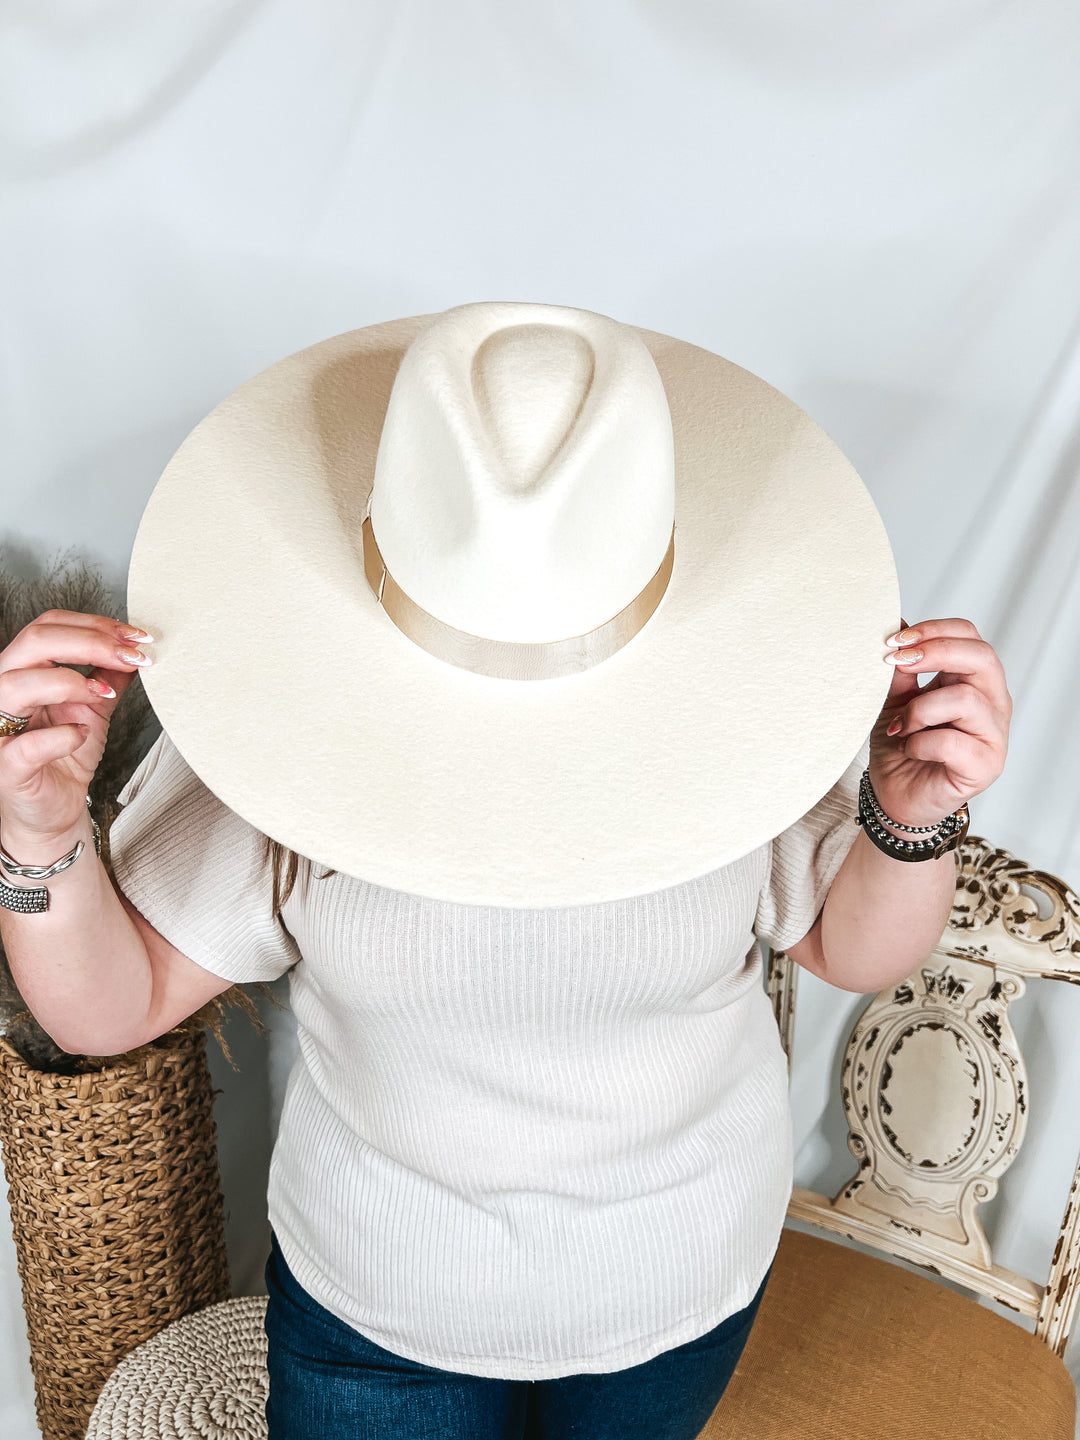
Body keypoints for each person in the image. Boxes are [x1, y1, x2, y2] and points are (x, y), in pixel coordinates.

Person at [0, 303, 1011, 1440]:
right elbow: (107, 1005)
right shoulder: (298, 729)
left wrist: (911, 815)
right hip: (374, 1316)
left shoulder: (742, 714)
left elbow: (852, 945)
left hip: (675, 1298)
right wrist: (37, 833)